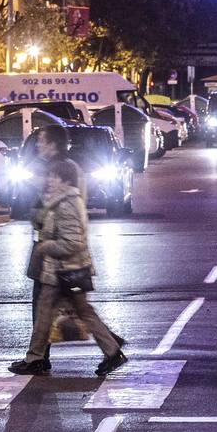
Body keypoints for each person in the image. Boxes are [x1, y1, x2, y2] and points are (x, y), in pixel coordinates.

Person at [12, 158, 128, 377]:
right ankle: (111, 352)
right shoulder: (59, 201)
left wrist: (46, 246)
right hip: (62, 270)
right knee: (65, 312)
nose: (49, 180)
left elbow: (73, 242)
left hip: (65, 270)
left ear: (64, 180)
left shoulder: (67, 203)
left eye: (53, 177)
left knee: (52, 313)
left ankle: (36, 358)